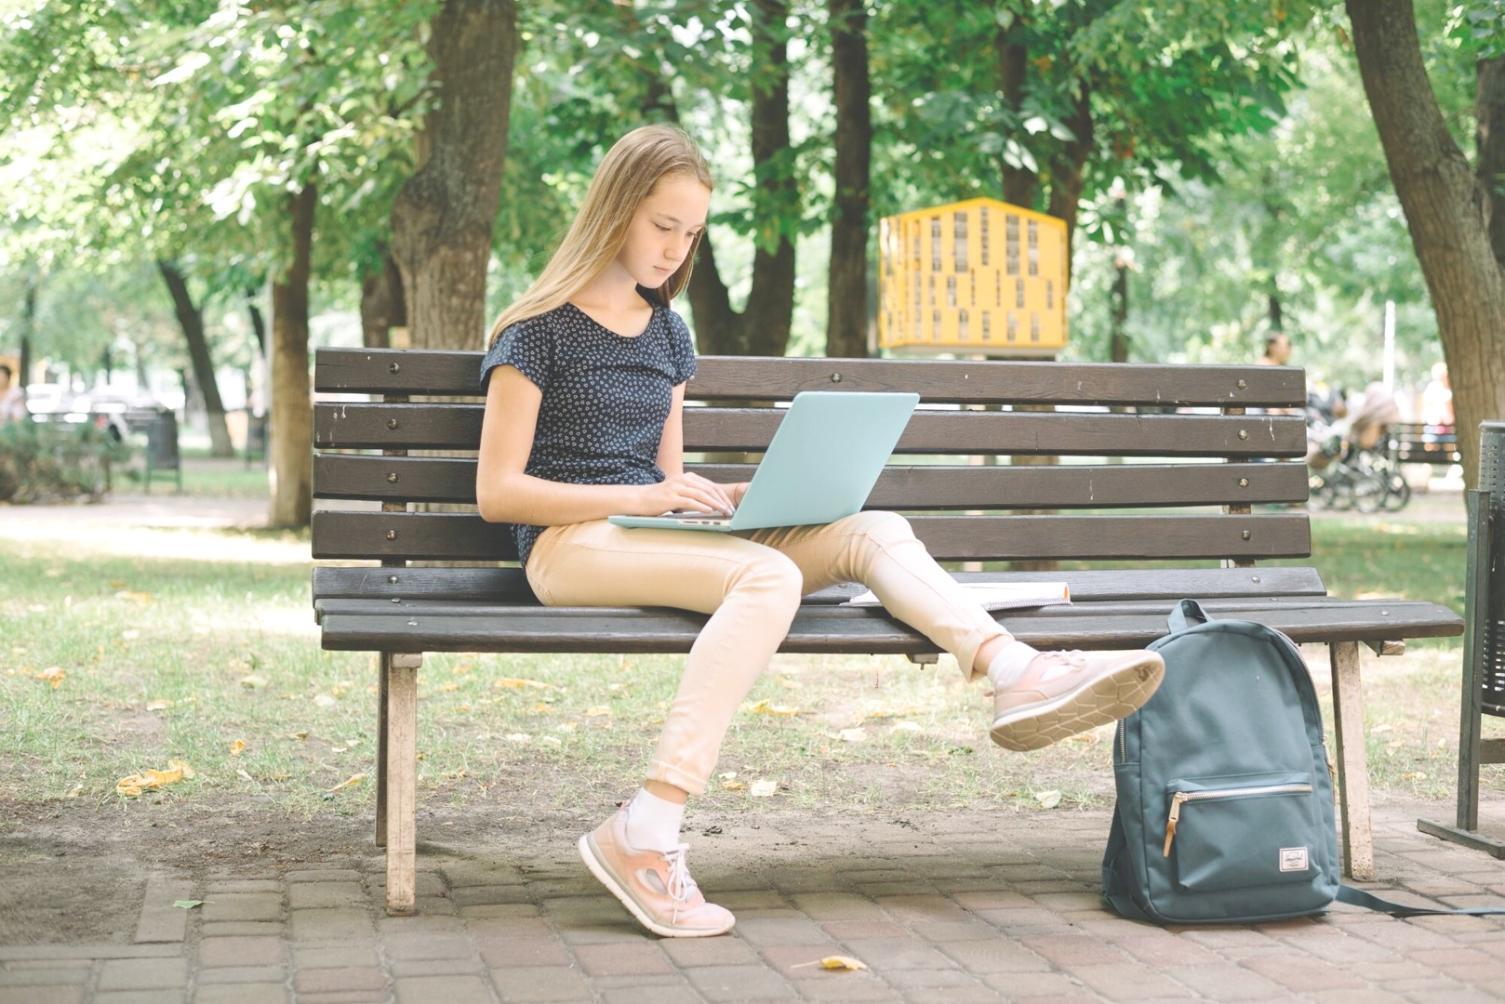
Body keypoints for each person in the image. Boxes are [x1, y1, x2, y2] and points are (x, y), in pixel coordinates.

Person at [473, 124, 1165, 939]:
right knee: (768, 578)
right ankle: (646, 828)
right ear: (616, 210)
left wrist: (715, 498)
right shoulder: (538, 329)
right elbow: (498, 494)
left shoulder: (667, 332)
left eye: (691, 233)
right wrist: (653, 495)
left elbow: (667, 475)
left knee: (869, 528)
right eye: (663, 226)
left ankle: (1013, 668)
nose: (674, 249)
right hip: (569, 548)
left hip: (647, 533)